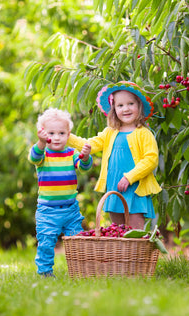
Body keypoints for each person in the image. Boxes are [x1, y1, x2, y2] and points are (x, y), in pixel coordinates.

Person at [67, 81, 161, 230]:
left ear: (139, 106)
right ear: (114, 109)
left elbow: (151, 160)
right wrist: (67, 137)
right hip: (114, 188)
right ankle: (120, 254)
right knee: (117, 232)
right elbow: (89, 144)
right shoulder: (110, 132)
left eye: (130, 103)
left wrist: (129, 177)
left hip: (135, 189)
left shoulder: (143, 133)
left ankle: (136, 254)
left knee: (135, 233)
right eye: (120, 105)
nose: (126, 109)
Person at [28, 108, 92, 278]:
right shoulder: (43, 155)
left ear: (68, 134)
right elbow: (33, 157)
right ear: (43, 134)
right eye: (51, 133)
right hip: (48, 211)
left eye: (61, 133)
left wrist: (85, 157)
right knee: (46, 243)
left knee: (77, 241)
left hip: (71, 210)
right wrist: (41, 143)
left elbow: (84, 167)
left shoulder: (71, 154)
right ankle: (45, 271)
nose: (56, 137)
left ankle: (79, 271)